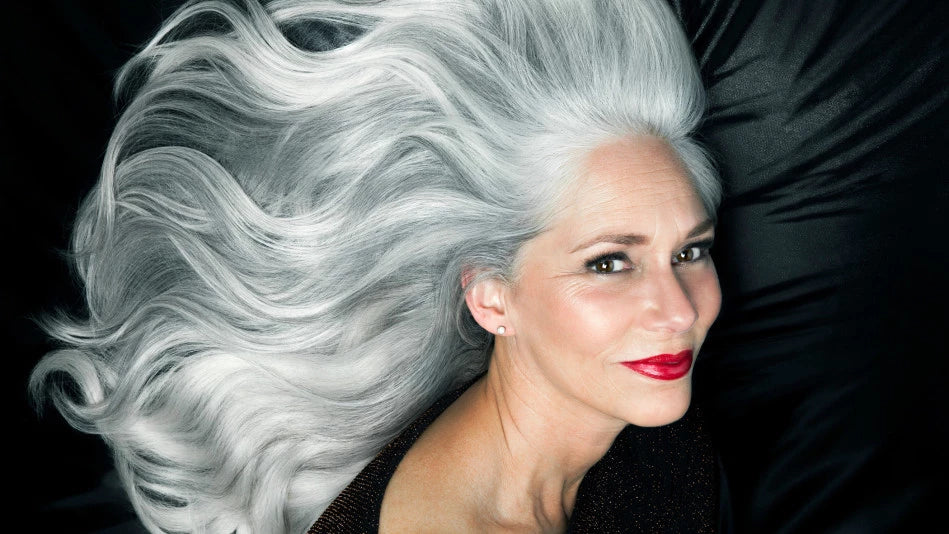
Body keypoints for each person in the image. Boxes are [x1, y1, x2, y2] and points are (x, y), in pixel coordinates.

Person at [29, 0, 724, 532]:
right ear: (491, 297)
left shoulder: (646, 429)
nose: (679, 309)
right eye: (609, 263)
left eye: (689, 251)